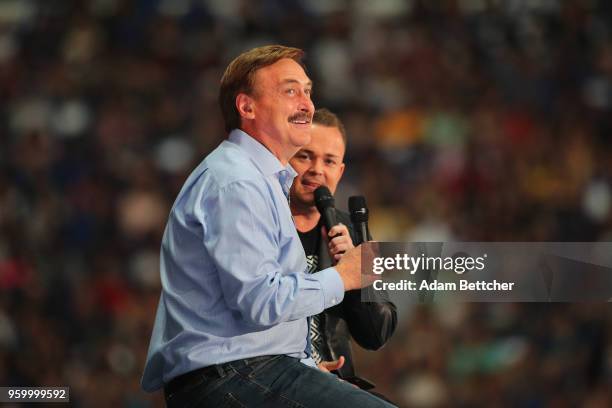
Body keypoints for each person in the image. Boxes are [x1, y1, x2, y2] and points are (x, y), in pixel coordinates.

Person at [141, 45, 395, 408]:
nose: (307, 104)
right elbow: (261, 301)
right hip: (232, 376)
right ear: (247, 107)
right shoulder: (237, 181)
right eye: (290, 90)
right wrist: (345, 276)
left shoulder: (264, 180)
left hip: (254, 371)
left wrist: (306, 365)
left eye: (308, 91)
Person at [289, 108, 397, 391]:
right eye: (305, 156)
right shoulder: (263, 222)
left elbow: (377, 333)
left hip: (337, 384)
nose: (317, 169)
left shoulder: (350, 229)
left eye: (329, 161)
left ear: (340, 171)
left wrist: (354, 273)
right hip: (277, 380)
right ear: (284, 158)